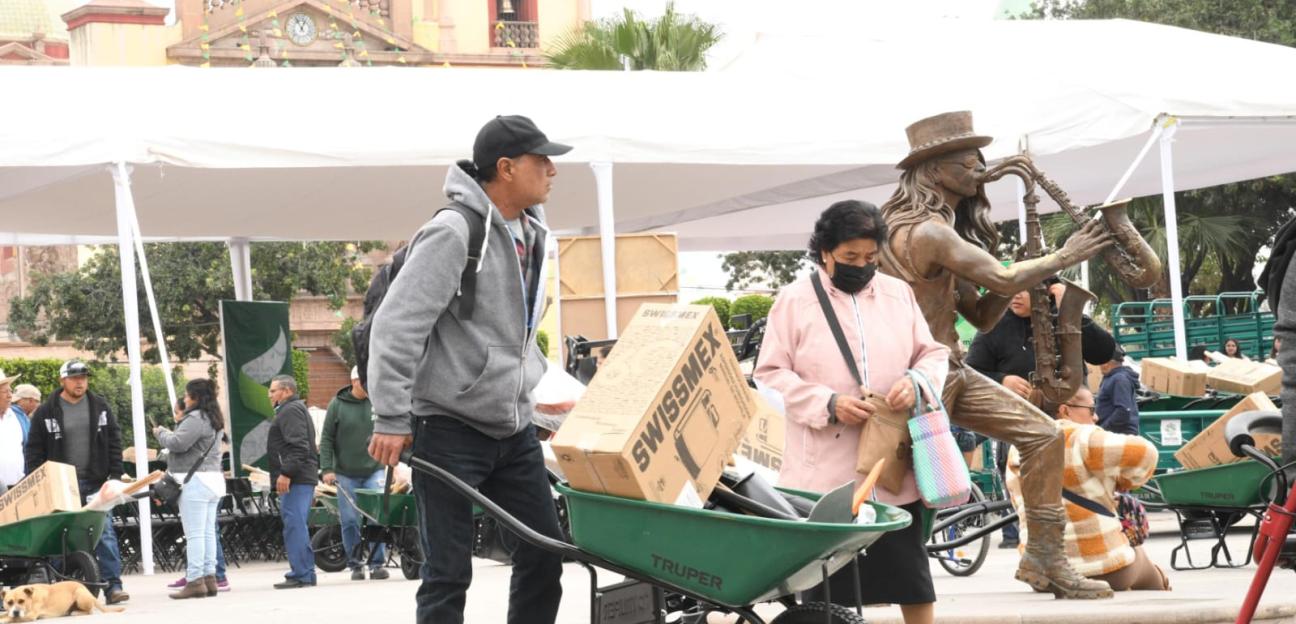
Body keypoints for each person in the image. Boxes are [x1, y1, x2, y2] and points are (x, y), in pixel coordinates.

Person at [878, 111, 1115, 599]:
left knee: (1043, 435)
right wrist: (1060, 258)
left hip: (950, 368)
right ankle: (880, 573)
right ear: (935, 171)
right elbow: (1004, 281)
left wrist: (1025, 273)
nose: (979, 170)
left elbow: (984, 315)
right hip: (924, 376)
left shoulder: (940, 231)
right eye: (968, 163)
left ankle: (1044, 559)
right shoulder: (928, 232)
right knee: (899, 484)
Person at [368, 114, 572, 624]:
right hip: (448, 427)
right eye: (540, 159)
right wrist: (391, 417)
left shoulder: (534, 234)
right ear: (505, 168)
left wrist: (531, 390)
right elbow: (397, 324)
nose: (552, 169)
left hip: (513, 430)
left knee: (545, 553)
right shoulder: (454, 230)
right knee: (447, 573)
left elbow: (514, 333)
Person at [756, 200, 949, 624]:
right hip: (825, 474)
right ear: (824, 251)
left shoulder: (898, 293)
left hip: (891, 466)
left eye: (869, 258)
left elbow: (933, 354)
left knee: (911, 576)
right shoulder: (793, 300)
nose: (861, 266)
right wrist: (828, 404)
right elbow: (769, 375)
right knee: (827, 584)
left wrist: (915, 383)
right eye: (849, 258)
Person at [965, 284, 1118, 548]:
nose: (1015, 294)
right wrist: (1001, 380)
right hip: (1021, 424)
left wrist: (1071, 310)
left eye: (1024, 289)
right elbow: (969, 372)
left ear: (1046, 292)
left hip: (1070, 422)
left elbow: (1103, 351)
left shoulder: (1062, 316)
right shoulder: (994, 324)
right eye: (1014, 286)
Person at [1005, 387, 1169, 591]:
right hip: (1105, 569)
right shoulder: (1081, 436)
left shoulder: (1018, 446)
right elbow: (1147, 453)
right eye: (1091, 409)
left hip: (1044, 578)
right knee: (1143, 561)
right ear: (1065, 410)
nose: (1097, 416)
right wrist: (1125, 481)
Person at [23, 361, 129, 604]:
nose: (80, 382)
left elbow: (114, 442)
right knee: (59, 537)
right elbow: (34, 450)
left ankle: (113, 587)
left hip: (96, 483)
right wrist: (38, 481)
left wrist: (115, 476)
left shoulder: (100, 406)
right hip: (62, 486)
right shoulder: (46, 410)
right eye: (74, 378)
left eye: (83, 377)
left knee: (105, 534)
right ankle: (59, 592)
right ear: (63, 381)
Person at [155, 379, 226, 599]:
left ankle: (195, 580)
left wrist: (160, 433)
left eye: (186, 395)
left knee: (194, 534)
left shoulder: (196, 418)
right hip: (213, 479)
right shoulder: (215, 418)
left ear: (196, 397)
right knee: (207, 533)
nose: (184, 399)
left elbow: (177, 443)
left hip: (196, 482)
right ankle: (209, 578)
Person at [321, 367, 389, 581]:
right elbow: (326, 439)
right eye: (364, 381)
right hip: (345, 473)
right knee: (350, 520)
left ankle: (377, 563)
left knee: (376, 517)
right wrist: (327, 469)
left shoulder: (377, 402)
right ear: (354, 382)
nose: (369, 385)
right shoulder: (337, 405)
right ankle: (356, 564)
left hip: (374, 470)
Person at [266, 374, 319, 589]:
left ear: (286, 391)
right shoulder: (292, 409)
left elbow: (299, 446)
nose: (270, 395)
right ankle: (303, 572)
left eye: (273, 390)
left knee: (295, 525)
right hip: (299, 476)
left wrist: (286, 473)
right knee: (295, 524)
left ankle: (303, 573)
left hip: (296, 478)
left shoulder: (290, 410)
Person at [1096, 346, 1140, 435]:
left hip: (1120, 434)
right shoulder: (1111, 378)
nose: (1099, 366)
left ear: (1107, 363)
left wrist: (1103, 429)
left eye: (1101, 362)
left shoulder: (1119, 379)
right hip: (1116, 433)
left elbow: (1123, 410)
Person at [0, 370, 26, 491]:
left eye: (10, 390)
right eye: (5, 391)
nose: (10, 395)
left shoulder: (19, 415)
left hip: (19, 487)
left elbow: (31, 448)